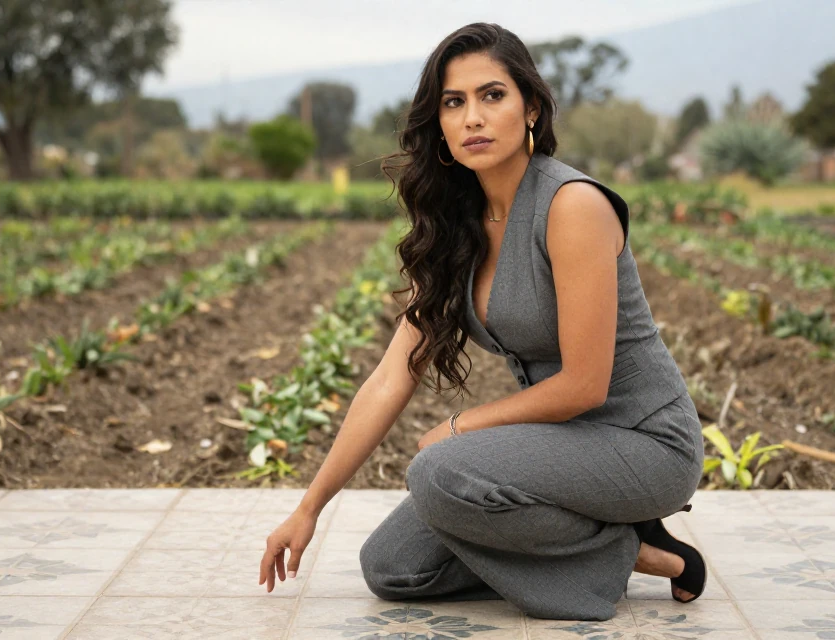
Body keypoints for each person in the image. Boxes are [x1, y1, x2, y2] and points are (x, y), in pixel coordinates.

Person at [258, 22, 706, 622]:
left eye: (492, 95)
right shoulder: (453, 225)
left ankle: (644, 548)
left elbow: (584, 386)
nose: (473, 116)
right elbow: (392, 377)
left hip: (644, 443)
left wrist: (462, 426)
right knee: (393, 566)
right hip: (561, 446)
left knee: (441, 470)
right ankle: (625, 543)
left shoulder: (572, 206)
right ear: (438, 125)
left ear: (531, 109)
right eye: (454, 101)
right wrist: (308, 507)